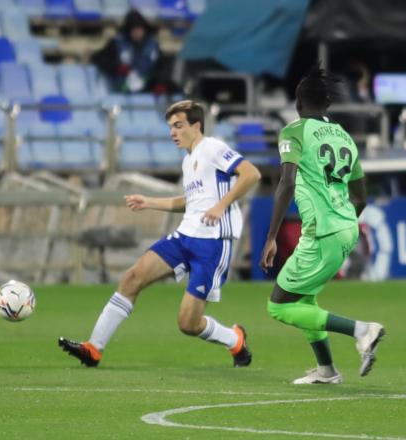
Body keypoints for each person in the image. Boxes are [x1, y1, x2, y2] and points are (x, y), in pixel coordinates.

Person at [59, 100, 261, 368]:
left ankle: (234, 339)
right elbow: (191, 201)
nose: (172, 132)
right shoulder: (189, 161)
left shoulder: (212, 148)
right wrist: (149, 202)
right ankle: (93, 348)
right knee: (132, 277)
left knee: (187, 324)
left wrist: (221, 205)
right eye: (170, 127)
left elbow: (251, 173)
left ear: (196, 125)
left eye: (178, 126)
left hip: (212, 244)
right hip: (184, 236)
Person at [260, 66, 385, 385]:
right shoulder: (345, 137)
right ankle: (327, 370)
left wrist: (271, 237)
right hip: (346, 227)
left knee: (278, 306)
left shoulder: (294, 131)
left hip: (323, 231)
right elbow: (361, 196)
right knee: (305, 301)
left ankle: (362, 330)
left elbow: (286, 183)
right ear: (327, 104)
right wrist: (342, 225)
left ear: (299, 105)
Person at [91, 9, 168, 94]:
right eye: (134, 29)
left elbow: (163, 66)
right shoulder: (117, 43)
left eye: (140, 29)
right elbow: (98, 58)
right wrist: (117, 68)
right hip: (122, 89)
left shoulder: (153, 45)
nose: (137, 32)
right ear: (128, 30)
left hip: (148, 89)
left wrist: (161, 83)